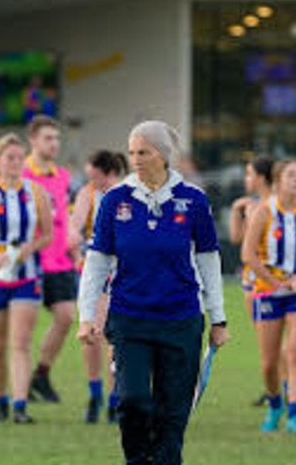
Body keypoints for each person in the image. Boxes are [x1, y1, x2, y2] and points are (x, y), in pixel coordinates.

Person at [77, 120, 229, 465]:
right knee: (132, 401)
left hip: (181, 321)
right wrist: (87, 316)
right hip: (130, 320)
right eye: (131, 152)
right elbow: (97, 263)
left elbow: (208, 262)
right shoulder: (114, 200)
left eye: (143, 152)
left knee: (172, 415)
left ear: (163, 154)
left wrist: (218, 318)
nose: (135, 159)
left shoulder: (193, 200)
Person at [0, 133, 53, 424]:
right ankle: (1, 400)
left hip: (26, 277)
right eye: (9, 158)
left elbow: (48, 234)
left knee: (21, 343)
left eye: (19, 158)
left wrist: (28, 248)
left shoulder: (36, 192)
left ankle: (20, 406)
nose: (16, 163)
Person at [242, 159, 296, 434]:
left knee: (295, 351)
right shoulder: (264, 211)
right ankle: (275, 405)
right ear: (278, 181)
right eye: (291, 175)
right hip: (268, 291)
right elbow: (248, 254)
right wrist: (274, 282)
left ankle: (295, 414)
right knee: (269, 362)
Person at [68, 148, 129, 424]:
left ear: (112, 174)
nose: (91, 183)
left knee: (116, 337)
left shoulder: (129, 194)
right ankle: (96, 394)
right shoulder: (88, 194)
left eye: (96, 178)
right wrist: (77, 249)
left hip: (126, 274)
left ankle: (116, 397)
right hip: (96, 272)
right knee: (92, 331)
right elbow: (74, 229)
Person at [22, 115, 75, 404]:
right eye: (48, 138)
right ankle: (19, 386)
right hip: (30, 261)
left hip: (59, 261)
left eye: (56, 138)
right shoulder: (22, 175)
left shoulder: (63, 176)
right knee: (23, 329)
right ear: (33, 140)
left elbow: (65, 214)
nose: (54, 144)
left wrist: (73, 244)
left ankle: (40, 375)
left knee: (66, 317)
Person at [228, 155, 275, 408]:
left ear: (260, 177)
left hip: (269, 279)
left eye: (249, 174)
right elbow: (237, 238)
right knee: (264, 339)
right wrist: (237, 210)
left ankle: (283, 391)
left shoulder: (274, 206)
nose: (246, 179)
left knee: (275, 341)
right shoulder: (253, 205)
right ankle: (274, 390)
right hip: (251, 279)